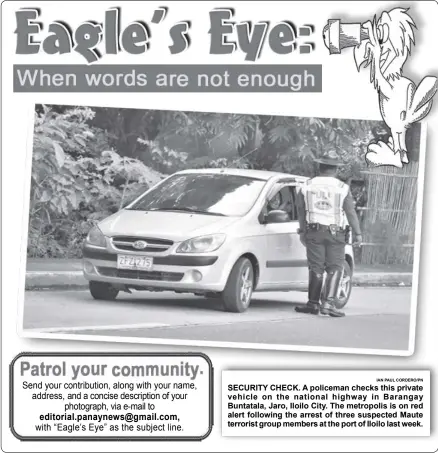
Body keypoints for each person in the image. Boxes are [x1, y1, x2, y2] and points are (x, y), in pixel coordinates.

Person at [295, 150, 363, 317]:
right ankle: (328, 304)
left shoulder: (306, 186)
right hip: (335, 233)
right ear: (335, 169)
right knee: (334, 267)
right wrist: (358, 234)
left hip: (314, 232)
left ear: (320, 166)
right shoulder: (342, 188)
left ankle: (312, 304)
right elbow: (350, 212)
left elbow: (301, 211)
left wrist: (303, 231)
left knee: (316, 267)